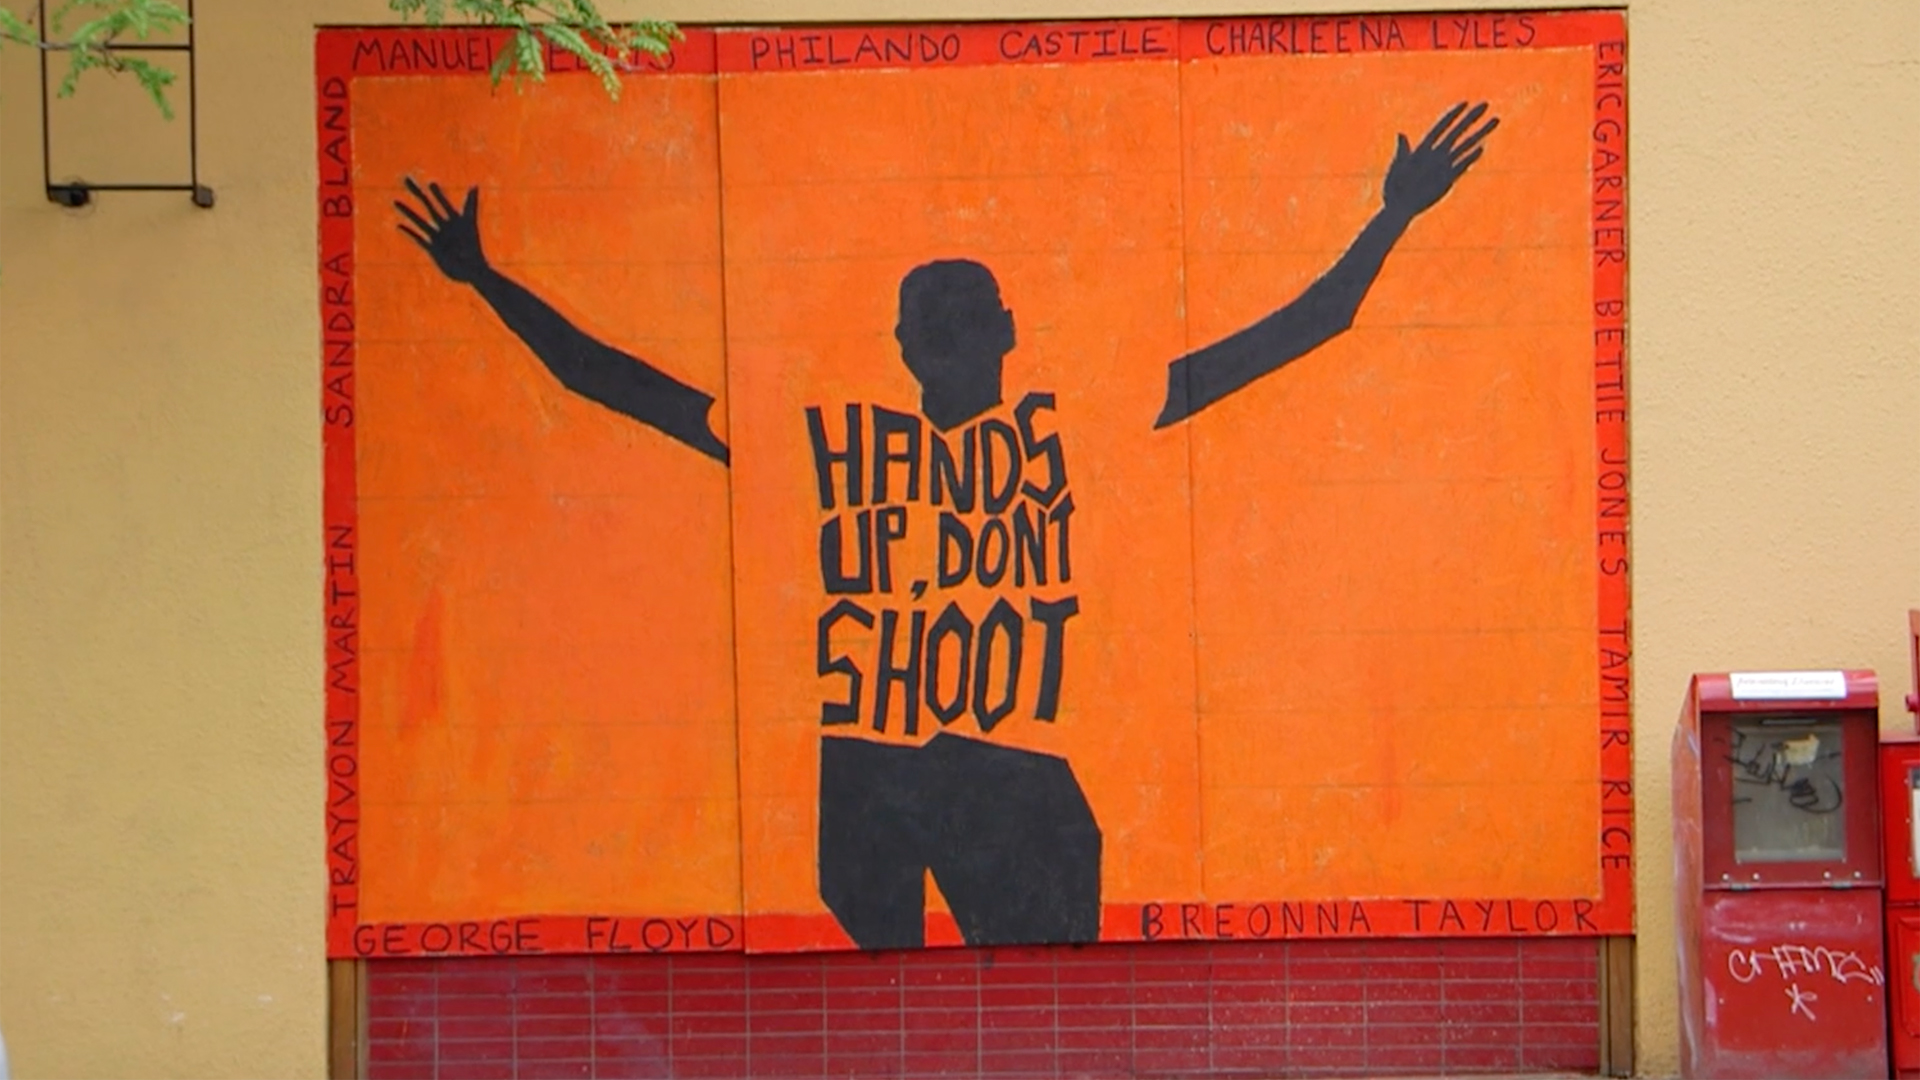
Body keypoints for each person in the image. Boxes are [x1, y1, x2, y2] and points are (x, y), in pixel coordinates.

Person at [394, 101, 1497, 950]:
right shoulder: (826, 440)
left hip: (1014, 771)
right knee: (881, 1014)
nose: (956, 342)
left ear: (1007, 331)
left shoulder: (1076, 424)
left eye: (970, 322)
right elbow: (609, 380)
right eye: (937, 327)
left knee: (1043, 1010)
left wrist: (1393, 215)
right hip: (872, 769)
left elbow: (1303, 328)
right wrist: (485, 281)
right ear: (906, 346)